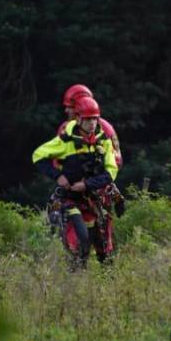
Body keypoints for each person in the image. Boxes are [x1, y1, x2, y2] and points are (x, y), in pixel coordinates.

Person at [32, 96, 121, 268]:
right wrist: (58, 176)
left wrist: (88, 184)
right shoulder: (65, 140)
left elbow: (111, 171)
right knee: (81, 236)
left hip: (94, 197)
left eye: (95, 118)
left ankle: (105, 278)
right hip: (70, 197)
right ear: (79, 119)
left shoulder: (105, 141)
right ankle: (75, 266)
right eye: (88, 119)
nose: (92, 123)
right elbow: (38, 156)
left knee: (103, 245)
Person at [60, 84, 122, 167]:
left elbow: (117, 161)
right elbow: (57, 162)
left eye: (70, 107)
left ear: (79, 107)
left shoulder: (105, 129)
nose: (66, 110)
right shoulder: (65, 128)